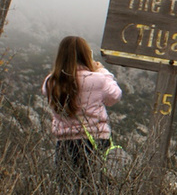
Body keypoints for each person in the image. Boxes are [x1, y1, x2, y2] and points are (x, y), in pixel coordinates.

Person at [41, 36, 123, 179]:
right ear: (86, 55)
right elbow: (114, 96)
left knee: (66, 191)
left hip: (65, 145)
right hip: (94, 142)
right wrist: (102, 71)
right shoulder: (98, 79)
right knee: (94, 190)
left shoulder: (51, 82)